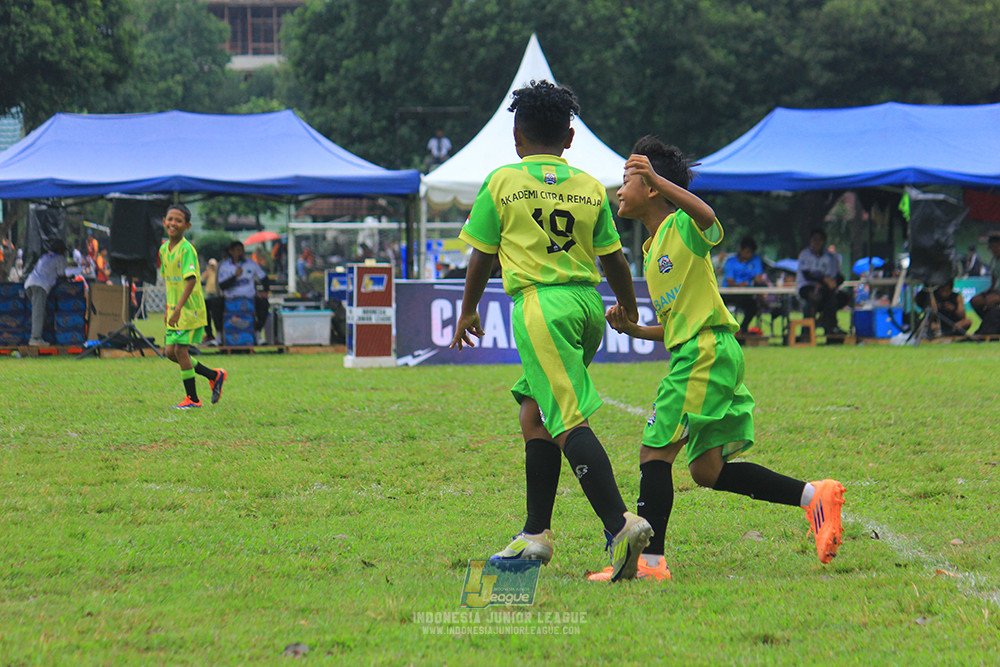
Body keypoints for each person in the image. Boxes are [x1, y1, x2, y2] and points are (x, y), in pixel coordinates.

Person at [596, 136, 846, 582]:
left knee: (655, 451)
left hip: (705, 353)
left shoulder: (681, 225)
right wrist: (635, 330)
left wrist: (655, 175)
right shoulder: (652, 250)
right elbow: (675, 325)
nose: (619, 190)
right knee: (707, 471)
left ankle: (651, 564)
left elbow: (709, 218)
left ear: (653, 187)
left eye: (628, 180)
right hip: (703, 351)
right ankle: (815, 496)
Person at [449, 80, 652, 582]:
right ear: (570, 136)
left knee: (565, 419)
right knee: (534, 412)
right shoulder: (588, 185)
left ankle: (620, 525)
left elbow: (482, 255)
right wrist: (627, 308)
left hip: (541, 305)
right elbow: (615, 258)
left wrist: (468, 310)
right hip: (586, 306)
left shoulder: (502, 180)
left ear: (516, 136)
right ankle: (535, 535)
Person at [158, 204, 226, 409]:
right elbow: (170, 282)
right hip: (175, 308)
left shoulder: (187, 249)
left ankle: (193, 399)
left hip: (189, 308)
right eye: (170, 219)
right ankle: (214, 375)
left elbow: (191, 281)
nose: (173, 223)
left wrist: (178, 308)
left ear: (187, 226)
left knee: (180, 350)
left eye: (179, 221)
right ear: (164, 221)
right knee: (170, 352)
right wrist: (167, 308)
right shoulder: (163, 249)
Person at [796, 228, 849, 336]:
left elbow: (838, 276)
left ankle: (827, 326)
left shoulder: (831, 257)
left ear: (824, 241)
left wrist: (834, 283)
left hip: (826, 288)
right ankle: (822, 327)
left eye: (819, 239)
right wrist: (824, 280)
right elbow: (807, 274)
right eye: (814, 239)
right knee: (823, 297)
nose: (817, 242)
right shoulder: (805, 255)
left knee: (837, 298)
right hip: (808, 286)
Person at [217, 240, 270, 334]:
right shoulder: (225, 266)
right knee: (215, 304)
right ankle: (219, 336)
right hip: (231, 299)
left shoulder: (251, 264)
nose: (240, 253)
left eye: (242, 250)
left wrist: (265, 291)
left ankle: (257, 332)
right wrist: (235, 276)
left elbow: (264, 278)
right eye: (238, 250)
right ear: (231, 251)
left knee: (264, 304)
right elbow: (222, 286)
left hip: (249, 298)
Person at [721, 236, 770, 335]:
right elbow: (730, 282)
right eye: (747, 252)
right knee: (721, 306)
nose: (749, 255)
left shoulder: (755, 260)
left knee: (752, 306)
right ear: (741, 250)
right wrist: (741, 285)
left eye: (751, 253)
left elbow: (758, 278)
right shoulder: (730, 261)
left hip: (745, 294)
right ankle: (725, 330)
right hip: (729, 293)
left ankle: (743, 329)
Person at [24, 239, 68, 346]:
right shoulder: (60, 258)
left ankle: (38, 335)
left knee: (40, 312)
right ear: (60, 250)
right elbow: (62, 275)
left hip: (29, 284)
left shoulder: (45, 257)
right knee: (38, 313)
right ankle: (35, 338)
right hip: (41, 285)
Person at [969, 233, 1000, 334]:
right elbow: (994, 280)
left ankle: (989, 327)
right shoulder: (995, 261)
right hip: (996, 291)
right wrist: (988, 292)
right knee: (975, 300)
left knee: (991, 301)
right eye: (991, 247)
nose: (993, 250)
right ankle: (990, 323)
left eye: (995, 246)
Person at [201, 258, 222, 345]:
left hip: (216, 294)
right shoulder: (208, 272)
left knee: (216, 315)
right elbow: (202, 279)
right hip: (209, 294)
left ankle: (218, 335)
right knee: (206, 315)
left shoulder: (218, 272)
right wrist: (207, 271)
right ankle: (209, 334)